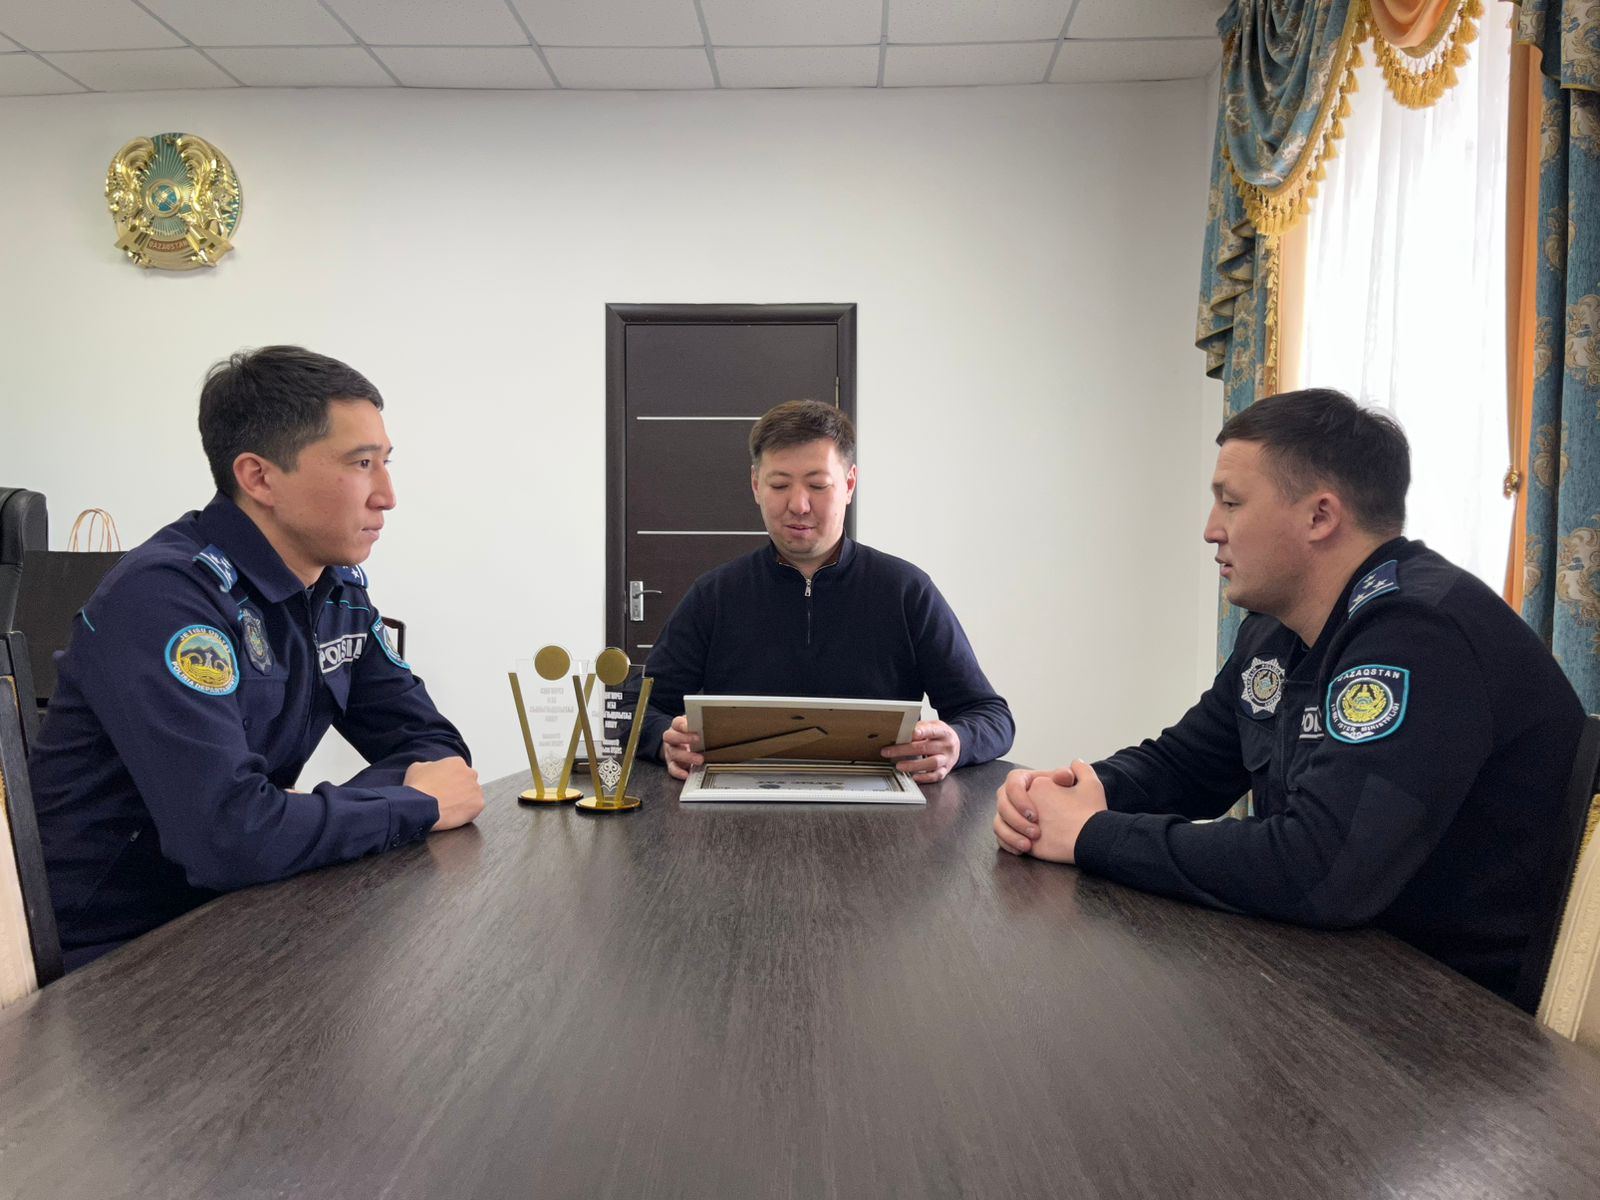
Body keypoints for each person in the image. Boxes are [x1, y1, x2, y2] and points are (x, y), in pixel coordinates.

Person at [993, 388, 1586, 1010]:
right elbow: (1187, 765)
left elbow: (1319, 869)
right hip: (1339, 972)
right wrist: (1062, 797)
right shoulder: (1277, 630)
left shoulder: (1418, 632)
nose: (1210, 530)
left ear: (1320, 516)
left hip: (1459, 1016)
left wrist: (1092, 835)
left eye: (1231, 502)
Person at [30, 346, 484, 969]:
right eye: (361, 464)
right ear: (259, 477)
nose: (387, 495)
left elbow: (434, 750)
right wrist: (409, 805)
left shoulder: (336, 589)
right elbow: (228, 838)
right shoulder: (163, 598)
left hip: (246, 909)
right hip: (107, 955)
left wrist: (291, 820)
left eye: (386, 462)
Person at [637, 399, 1014, 783]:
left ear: (849, 484)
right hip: (736, 797)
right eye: (779, 485)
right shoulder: (714, 596)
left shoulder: (906, 591)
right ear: (755, 485)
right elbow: (637, 711)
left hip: (882, 802)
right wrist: (663, 740)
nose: (798, 505)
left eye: (818, 485)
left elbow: (990, 714)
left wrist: (958, 742)